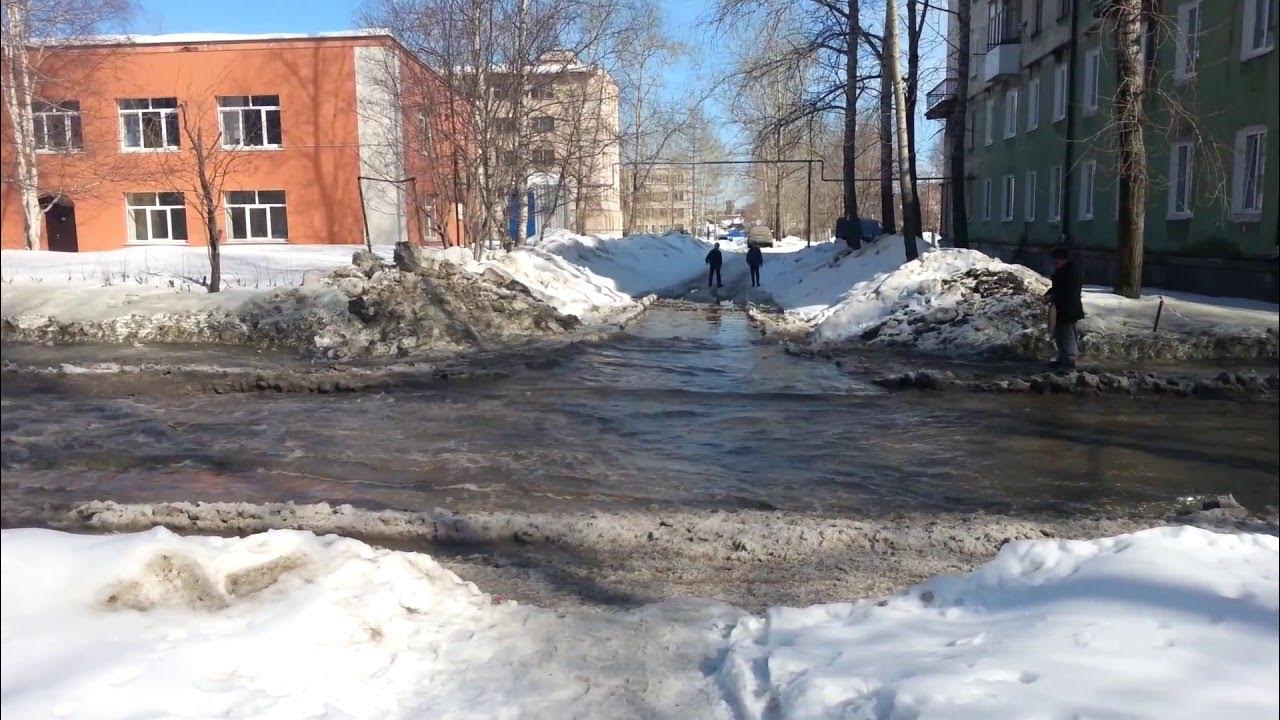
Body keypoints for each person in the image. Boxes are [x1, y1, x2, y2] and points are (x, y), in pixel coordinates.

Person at [1042, 246, 1085, 370]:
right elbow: (1057, 288)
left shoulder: (1071, 273)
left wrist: (1052, 297)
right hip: (1063, 308)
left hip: (1068, 309)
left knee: (1067, 335)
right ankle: (1062, 359)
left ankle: (1069, 361)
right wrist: (1048, 295)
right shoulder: (1064, 270)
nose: (1054, 263)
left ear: (1063, 260)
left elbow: (1068, 292)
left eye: (1056, 260)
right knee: (1061, 335)